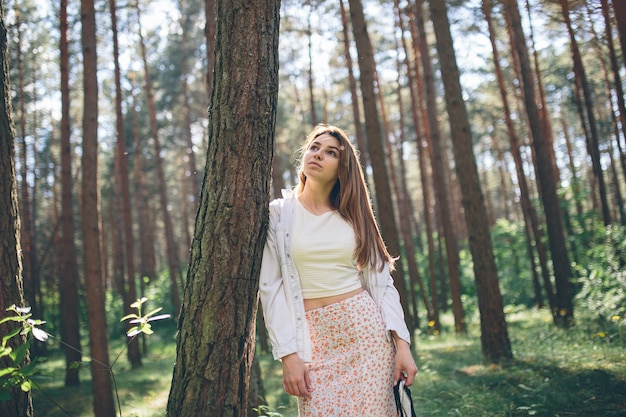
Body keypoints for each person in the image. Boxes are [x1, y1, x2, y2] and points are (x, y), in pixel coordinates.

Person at [259, 123, 418, 416]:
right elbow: (270, 288)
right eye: (314, 147)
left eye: (330, 152)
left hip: (366, 338)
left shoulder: (354, 216)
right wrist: (288, 355)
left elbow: (383, 285)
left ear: (342, 167)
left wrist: (402, 344)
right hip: (313, 344)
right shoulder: (279, 214)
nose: (318, 154)